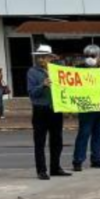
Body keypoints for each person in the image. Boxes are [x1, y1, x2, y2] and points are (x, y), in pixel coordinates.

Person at [27, 44, 68, 180]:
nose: (41, 60)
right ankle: (41, 170)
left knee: (57, 140)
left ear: (50, 58)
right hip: (40, 109)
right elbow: (32, 93)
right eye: (39, 57)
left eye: (44, 57)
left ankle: (55, 167)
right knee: (40, 141)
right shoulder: (32, 72)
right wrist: (42, 85)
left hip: (55, 108)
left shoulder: (58, 71)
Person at [72, 44, 100, 171]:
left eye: (93, 56)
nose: (90, 58)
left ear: (99, 57)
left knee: (98, 134)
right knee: (84, 133)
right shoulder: (78, 70)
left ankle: (96, 159)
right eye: (87, 56)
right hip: (86, 107)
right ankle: (78, 160)